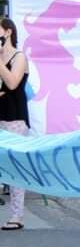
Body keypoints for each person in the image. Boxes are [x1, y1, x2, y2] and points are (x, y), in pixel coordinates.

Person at [0, 17, 29, 230]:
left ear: (7, 32)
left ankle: (17, 216)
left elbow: (12, 82)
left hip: (15, 118)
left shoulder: (19, 57)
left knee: (15, 166)